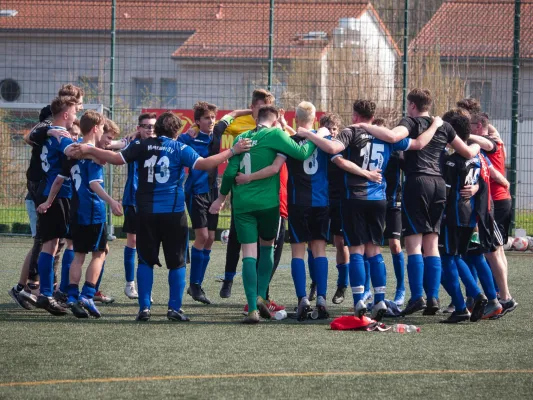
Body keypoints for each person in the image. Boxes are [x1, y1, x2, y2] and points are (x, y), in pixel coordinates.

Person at [73, 111, 251, 322]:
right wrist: (232, 150)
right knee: (177, 263)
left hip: (146, 213)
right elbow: (205, 163)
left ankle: (145, 308)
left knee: (145, 261)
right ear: (176, 131)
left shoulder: (141, 146)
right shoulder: (178, 147)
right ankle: (173, 308)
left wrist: (88, 148)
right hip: (173, 214)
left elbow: (114, 158)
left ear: (157, 129)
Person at [297, 99, 442, 321]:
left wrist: (309, 134)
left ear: (355, 115)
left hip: (353, 197)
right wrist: (434, 125)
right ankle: (380, 299)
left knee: (356, 250)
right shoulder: (385, 135)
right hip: (378, 199)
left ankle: (359, 303)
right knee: (374, 251)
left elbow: (333, 149)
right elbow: (418, 144)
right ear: (373, 116)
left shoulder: (350, 132)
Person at [353, 89, 481, 316]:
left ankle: (416, 297)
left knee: (413, 244)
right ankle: (432, 297)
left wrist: (364, 126)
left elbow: (392, 137)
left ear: (412, 105)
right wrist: (480, 146)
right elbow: (468, 151)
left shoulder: (410, 122)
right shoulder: (444, 126)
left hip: (418, 184)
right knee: (431, 244)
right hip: (439, 184)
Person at [209, 105, 318, 324]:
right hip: (269, 204)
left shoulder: (243, 137)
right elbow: (302, 152)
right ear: (277, 118)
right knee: (267, 246)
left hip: (242, 204)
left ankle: (252, 308)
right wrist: (315, 136)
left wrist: (221, 199)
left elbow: (230, 171)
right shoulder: (276, 134)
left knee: (248, 253)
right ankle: (260, 296)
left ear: (256, 118)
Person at [9, 85, 84, 310]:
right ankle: (32, 288)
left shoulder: (59, 129)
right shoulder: (53, 126)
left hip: (49, 190)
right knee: (46, 243)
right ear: (65, 110)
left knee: (52, 243)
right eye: (76, 108)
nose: (78, 112)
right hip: (46, 192)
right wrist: (97, 149)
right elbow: (32, 136)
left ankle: (43, 288)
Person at [65, 110, 122, 318]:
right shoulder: (94, 155)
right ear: (97, 128)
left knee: (78, 255)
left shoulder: (73, 148)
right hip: (92, 209)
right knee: (101, 252)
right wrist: (112, 201)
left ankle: (71, 296)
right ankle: (88, 294)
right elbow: (93, 183)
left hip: (76, 208)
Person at [33, 95, 82, 315]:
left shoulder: (47, 133)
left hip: (54, 192)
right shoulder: (62, 136)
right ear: (65, 114)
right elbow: (75, 153)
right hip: (57, 194)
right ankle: (46, 294)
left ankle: (51, 292)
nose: (75, 116)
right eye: (74, 112)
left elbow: (33, 135)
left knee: (54, 244)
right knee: (50, 245)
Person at [107, 112, 157, 300]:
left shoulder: (161, 144)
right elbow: (112, 145)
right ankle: (130, 284)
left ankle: (146, 288)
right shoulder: (132, 143)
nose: (150, 129)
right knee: (133, 241)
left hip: (153, 202)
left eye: (152, 126)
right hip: (133, 199)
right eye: (146, 126)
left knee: (150, 244)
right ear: (139, 128)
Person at [179, 102, 221, 305]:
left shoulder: (216, 137)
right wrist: (189, 131)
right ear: (197, 121)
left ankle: (197, 284)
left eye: (213, 117)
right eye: (206, 118)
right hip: (195, 192)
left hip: (213, 192)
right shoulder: (188, 138)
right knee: (202, 236)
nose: (211, 121)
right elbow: (172, 141)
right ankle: (194, 285)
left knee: (211, 238)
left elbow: (235, 115)